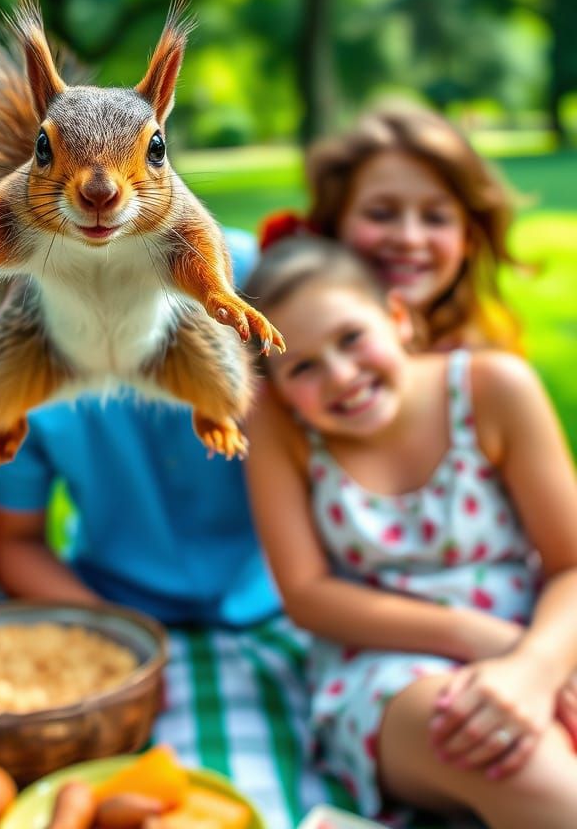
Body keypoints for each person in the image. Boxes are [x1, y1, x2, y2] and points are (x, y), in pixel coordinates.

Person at [242, 233, 577, 826]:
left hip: (544, 631)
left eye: (351, 338)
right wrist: (487, 644)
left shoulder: (493, 388)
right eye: (304, 367)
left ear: (397, 317)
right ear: (279, 387)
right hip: (388, 663)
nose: (342, 376)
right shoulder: (282, 430)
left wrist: (537, 665)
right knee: (525, 769)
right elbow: (307, 595)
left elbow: (571, 565)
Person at [0, 228, 281, 628]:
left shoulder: (240, 271)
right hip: (113, 600)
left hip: (278, 590)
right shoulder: (20, 363)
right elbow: (15, 541)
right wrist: (117, 630)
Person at [302, 104, 525, 353]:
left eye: (436, 218)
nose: (409, 238)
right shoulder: (287, 345)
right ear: (335, 220)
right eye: (381, 214)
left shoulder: (492, 349)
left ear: (469, 237)